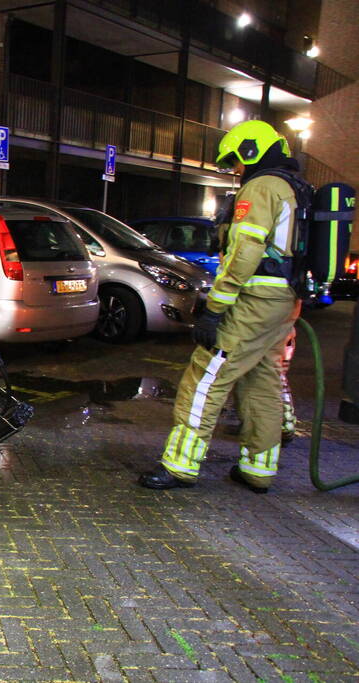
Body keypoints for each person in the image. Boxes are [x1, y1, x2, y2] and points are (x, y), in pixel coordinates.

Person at [138, 119, 302, 494]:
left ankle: (180, 465)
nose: (237, 171)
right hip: (281, 301)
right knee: (262, 380)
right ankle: (258, 469)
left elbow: (245, 251)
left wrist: (215, 308)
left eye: (237, 162)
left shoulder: (262, 187)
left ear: (251, 150)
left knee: (206, 376)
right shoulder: (294, 188)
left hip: (254, 300)